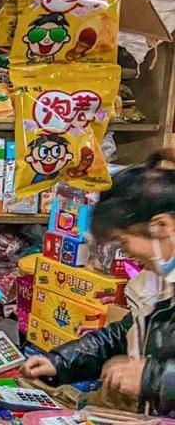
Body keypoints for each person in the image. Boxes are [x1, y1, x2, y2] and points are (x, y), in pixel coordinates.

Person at [21, 148, 175, 413]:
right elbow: (126, 333)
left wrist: (152, 378)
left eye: (124, 242)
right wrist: (60, 362)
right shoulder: (157, 283)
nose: (126, 255)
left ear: (162, 226)